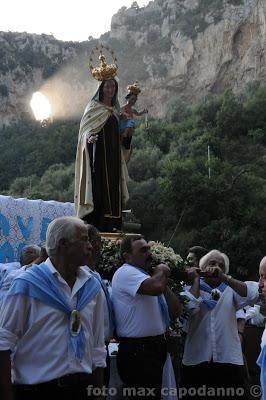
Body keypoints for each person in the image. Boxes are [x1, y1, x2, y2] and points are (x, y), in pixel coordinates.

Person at [0, 216, 106, 400]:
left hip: (82, 390)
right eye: (84, 239)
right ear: (63, 244)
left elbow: (97, 346)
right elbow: (3, 344)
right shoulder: (27, 285)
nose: (90, 246)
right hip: (39, 392)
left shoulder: (92, 287)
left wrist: (99, 392)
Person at [112, 235, 183, 400]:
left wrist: (161, 280)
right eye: (143, 250)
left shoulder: (148, 278)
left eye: (148, 249)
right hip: (138, 352)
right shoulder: (125, 272)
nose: (149, 253)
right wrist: (161, 271)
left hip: (155, 347)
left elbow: (176, 311)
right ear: (127, 256)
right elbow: (156, 286)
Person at [181, 249, 258, 400]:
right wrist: (196, 280)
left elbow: (253, 294)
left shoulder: (231, 289)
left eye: (221, 266)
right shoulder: (188, 288)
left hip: (228, 361)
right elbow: (190, 307)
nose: (216, 267)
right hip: (196, 360)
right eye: (212, 264)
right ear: (202, 268)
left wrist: (225, 278)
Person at [74, 50, 129, 233]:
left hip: (114, 160)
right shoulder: (93, 108)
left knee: (114, 192)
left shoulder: (116, 110)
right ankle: (98, 226)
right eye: (107, 86)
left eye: (113, 86)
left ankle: (113, 227)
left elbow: (121, 138)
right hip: (98, 159)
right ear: (101, 88)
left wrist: (127, 135)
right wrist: (88, 138)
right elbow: (85, 132)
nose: (110, 89)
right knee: (100, 192)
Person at [120, 82, 147, 156]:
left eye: (135, 100)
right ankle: (124, 135)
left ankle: (127, 143)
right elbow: (120, 112)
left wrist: (144, 111)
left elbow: (138, 113)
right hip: (123, 125)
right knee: (131, 121)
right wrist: (125, 114)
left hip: (129, 127)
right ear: (128, 98)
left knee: (131, 128)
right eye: (132, 99)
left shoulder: (132, 110)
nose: (133, 101)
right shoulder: (123, 107)